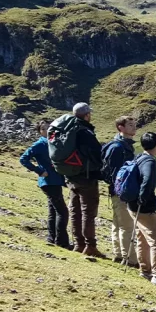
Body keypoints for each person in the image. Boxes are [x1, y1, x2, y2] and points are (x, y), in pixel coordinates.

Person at [126, 132, 156, 287]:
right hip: (143, 207)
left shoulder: (138, 157)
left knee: (142, 238)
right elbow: (147, 181)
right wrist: (143, 198)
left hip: (132, 205)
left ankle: (145, 269)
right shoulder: (150, 162)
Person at [20, 120, 70, 249]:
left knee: (53, 211)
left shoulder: (54, 143)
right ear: (40, 131)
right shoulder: (40, 144)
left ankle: (52, 238)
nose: (47, 130)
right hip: (49, 181)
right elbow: (23, 158)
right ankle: (62, 242)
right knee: (62, 212)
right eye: (44, 129)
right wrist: (39, 170)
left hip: (55, 181)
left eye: (49, 128)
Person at [65, 103, 106, 258]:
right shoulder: (85, 131)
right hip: (86, 177)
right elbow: (97, 153)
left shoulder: (69, 129)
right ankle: (90, 246)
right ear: (87, 115)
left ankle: (78, 244)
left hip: (71, 176)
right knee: (88, 212)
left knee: (75, 211)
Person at [102, 115, 138, 267]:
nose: (134, 127)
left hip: (116, 191)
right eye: (130, 125)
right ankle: (130, 259)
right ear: (120, 127)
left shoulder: (122, 145)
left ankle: (118, 254)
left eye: (134, 124)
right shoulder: (118, 148)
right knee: (127, 225)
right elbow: (115, 173)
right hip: (121, 192)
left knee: (118, 223)